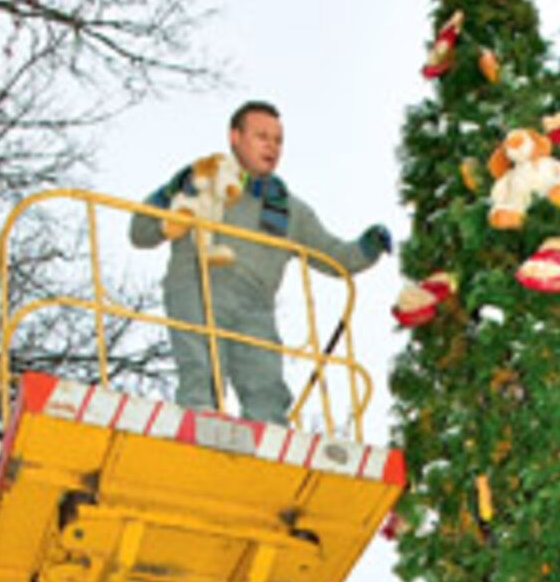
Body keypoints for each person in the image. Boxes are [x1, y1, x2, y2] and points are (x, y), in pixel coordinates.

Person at [129, 99, 392, 424]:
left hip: (256, 303)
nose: (272, 147)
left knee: (265, 379)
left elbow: (331, 255)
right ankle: (200, 413)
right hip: (199, 283)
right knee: (204, 364)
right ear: (235, 137)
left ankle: (271, 430)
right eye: (262, 137)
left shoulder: (288, 209)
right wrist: (164, 225)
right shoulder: (201, 178)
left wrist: (368, 247)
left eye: (278, 140)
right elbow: (139, 229)